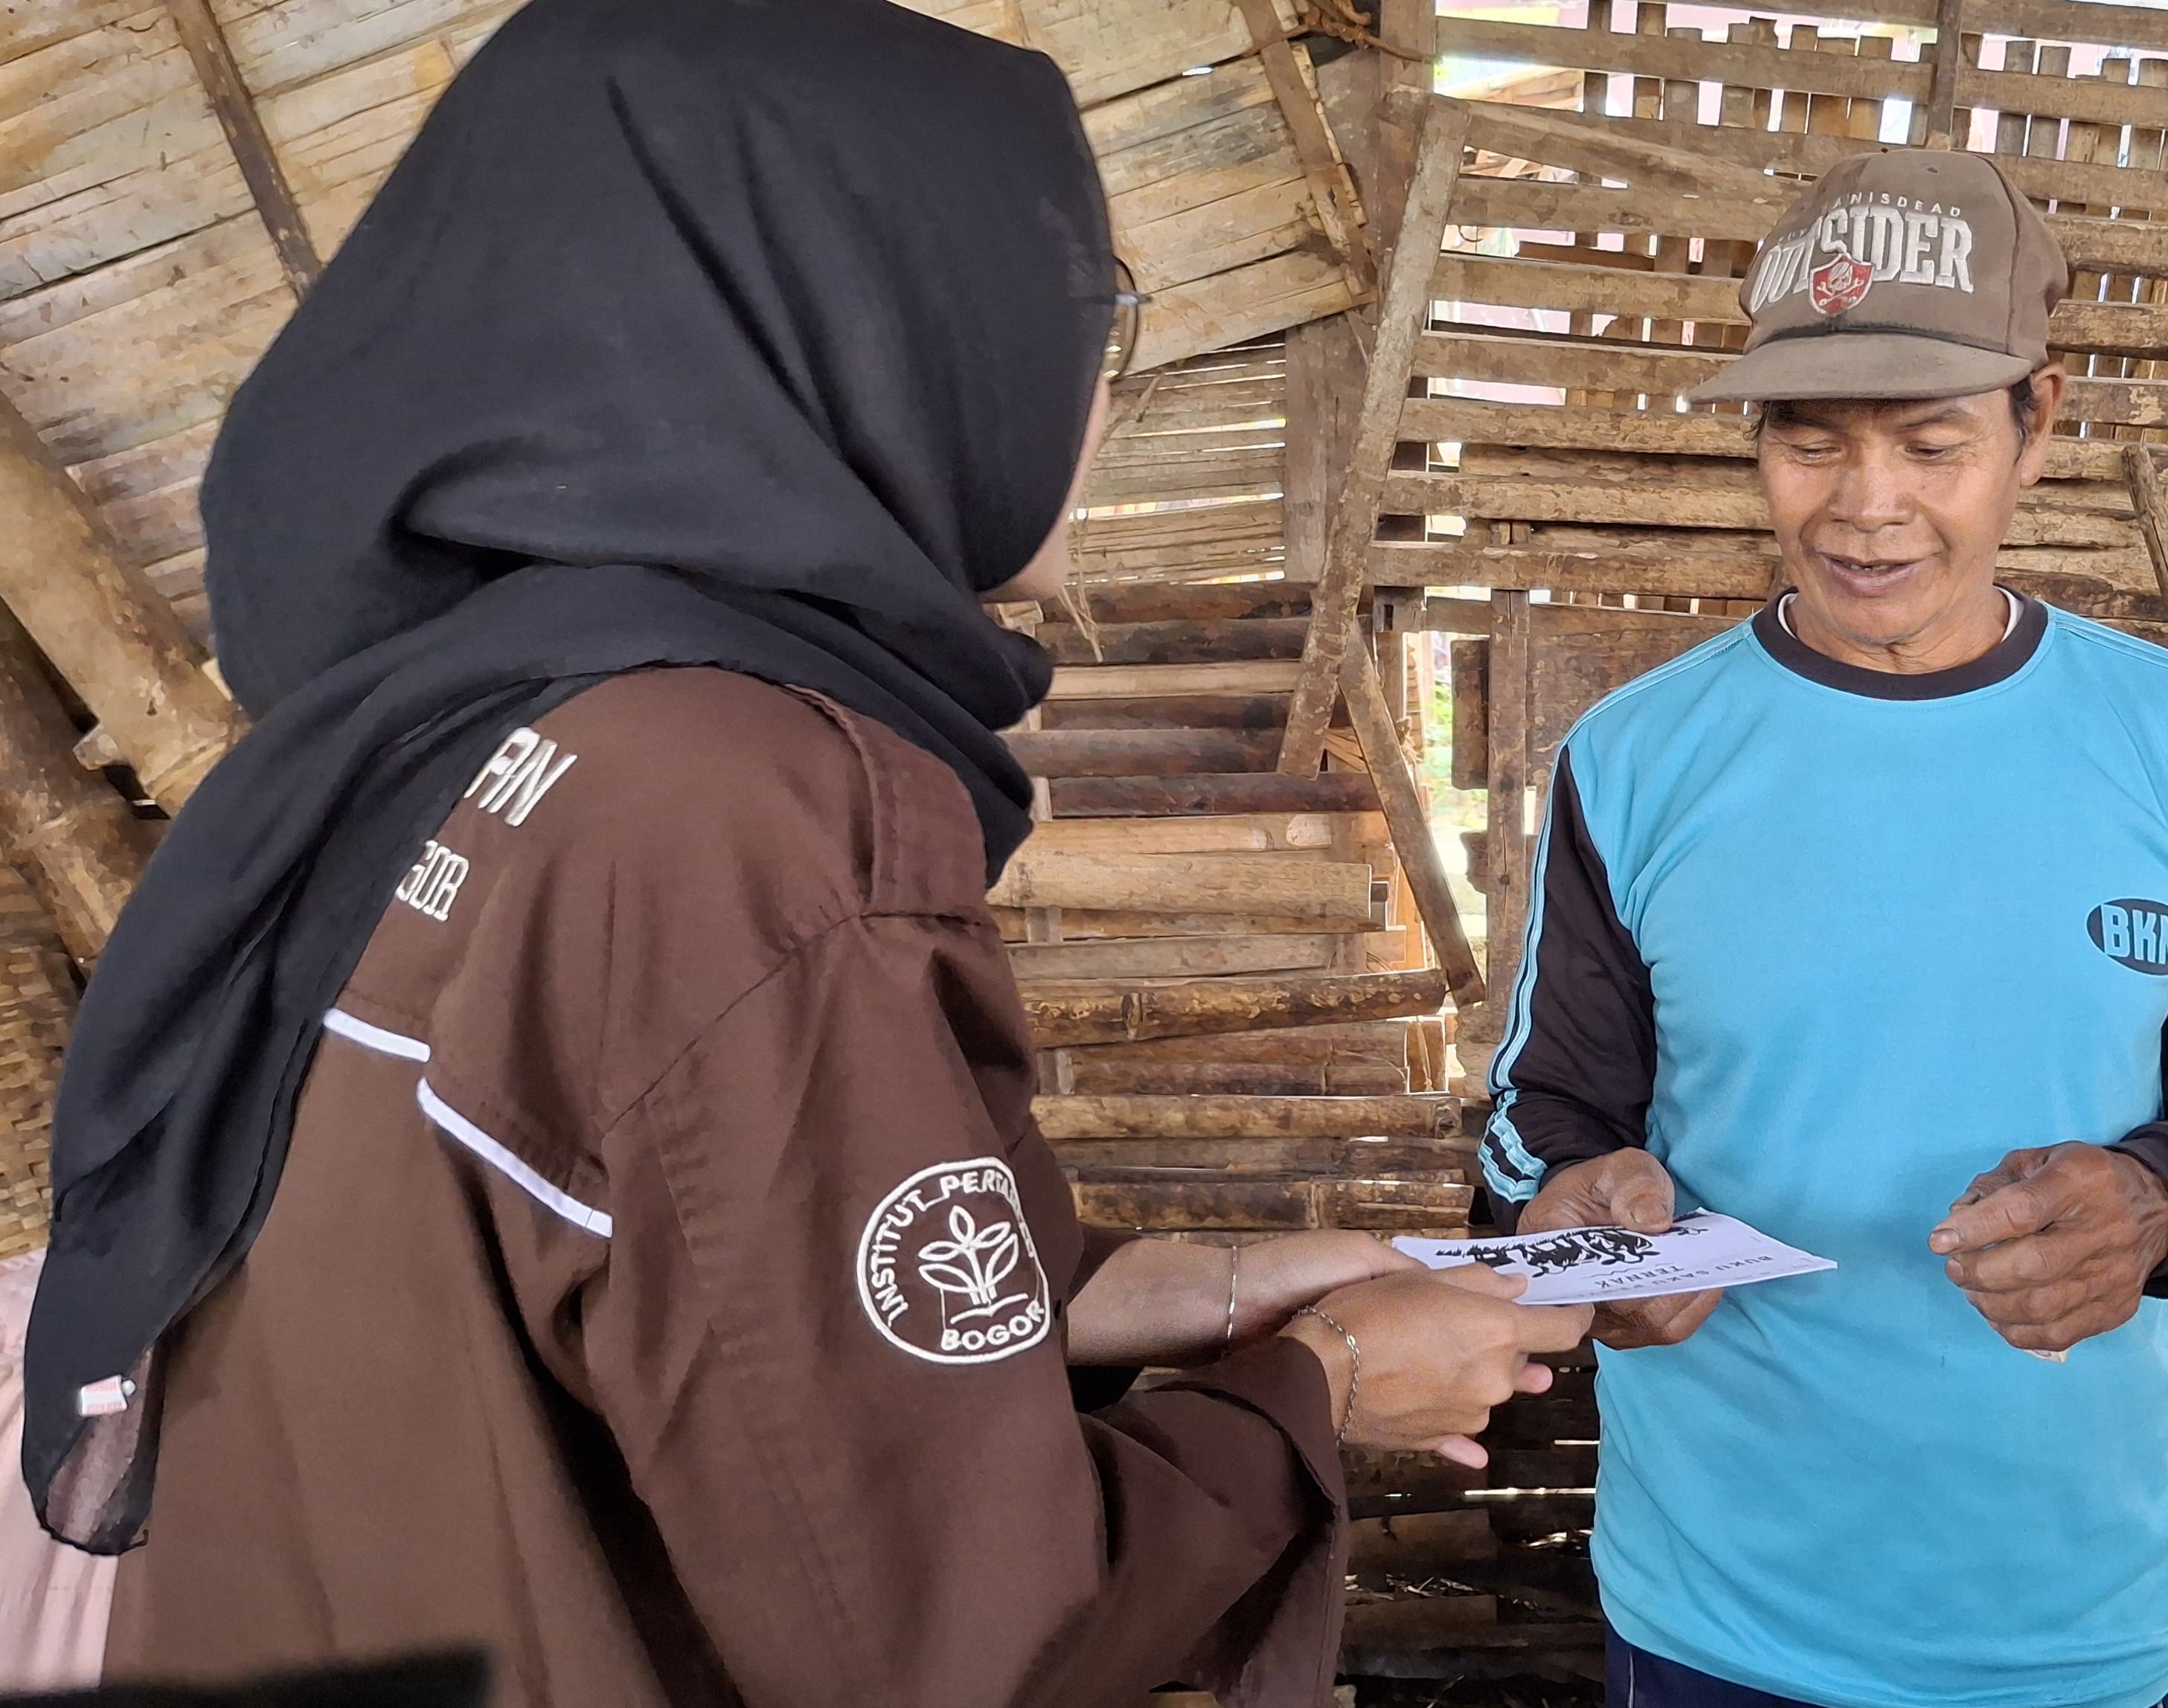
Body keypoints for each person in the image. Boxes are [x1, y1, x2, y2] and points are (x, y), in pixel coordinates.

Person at [16, 1, 1589, 1702]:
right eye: (1077, 310)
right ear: (883, 330)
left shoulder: (456, 717)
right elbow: (954, 1635)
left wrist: (1183, 1287)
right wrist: (1328, 1387)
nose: (1094, 388)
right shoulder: (743, 808)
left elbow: (696, 1295)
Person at [1482, 150, 2168, 1708]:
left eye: (1933, 443)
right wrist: (1580, 1208)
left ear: (2040, 423)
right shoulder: (1634, 756)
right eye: (1810, 445)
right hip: (1715, 1612)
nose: (1866, 508)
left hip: (2074, 1616)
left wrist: (2151, 1200)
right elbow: (1534, 1120)